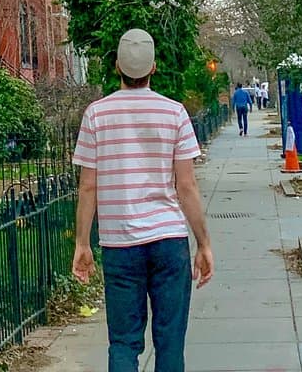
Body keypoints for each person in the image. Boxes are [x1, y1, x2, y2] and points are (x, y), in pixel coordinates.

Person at [71, 28, 214, 372]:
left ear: (117, 66)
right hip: (168, 241)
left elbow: (88, 187)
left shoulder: (96, 115)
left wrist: (82, 243)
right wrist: (203, 243)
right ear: (153, 69)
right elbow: (187, 186)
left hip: (120, 244)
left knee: (123, 342)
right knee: (170, 341)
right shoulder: (174, 113)